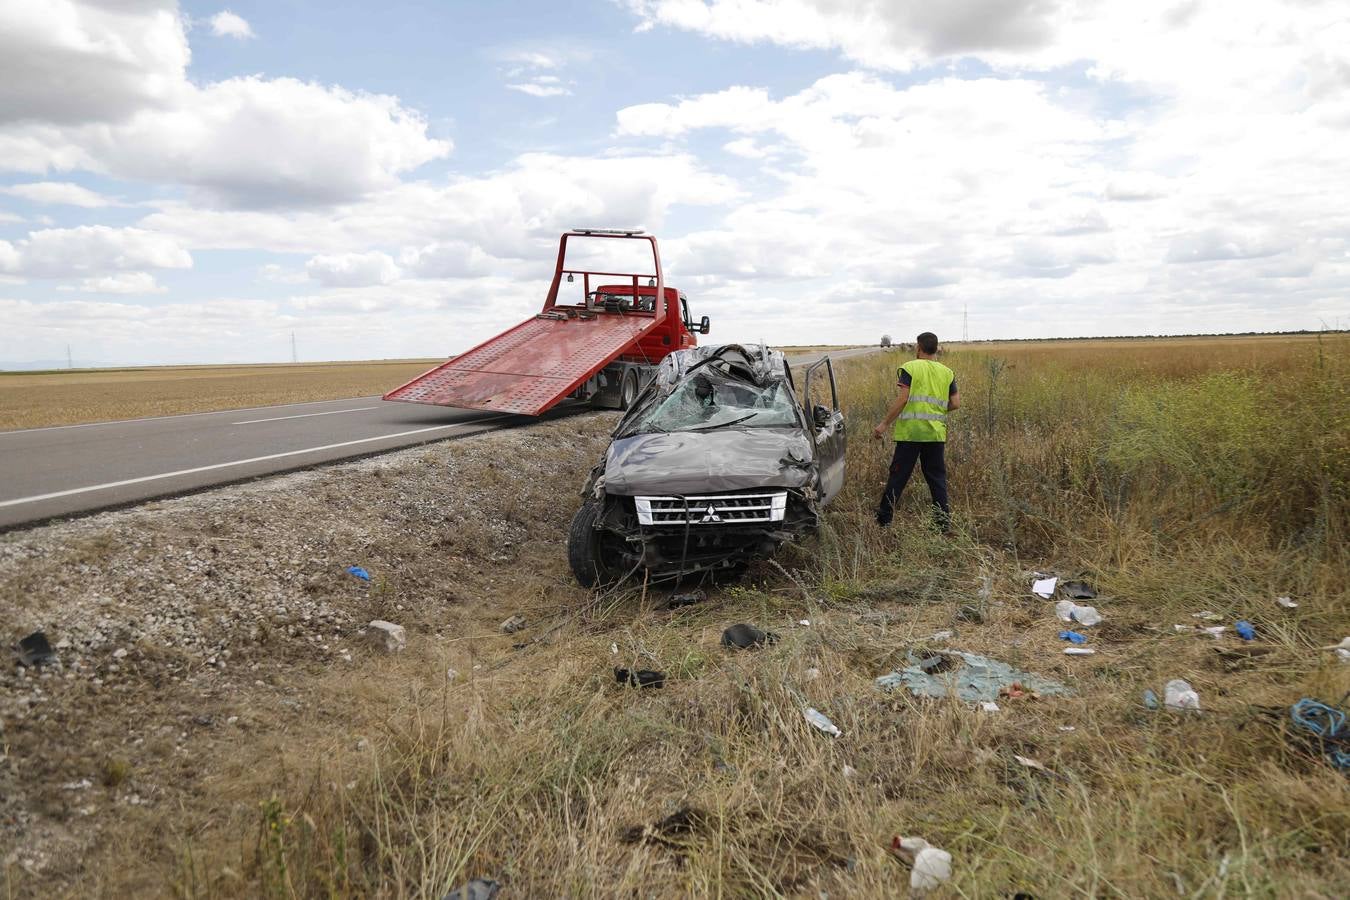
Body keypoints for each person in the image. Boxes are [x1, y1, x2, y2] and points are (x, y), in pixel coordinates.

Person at [872, 331, 960, 531]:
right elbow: (955, 403)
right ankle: (942, 524)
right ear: (936, 348)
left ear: (919, 347)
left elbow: (903, 399)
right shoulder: (947, 372)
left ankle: (884, 520)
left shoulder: (910, 368)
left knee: (898, 476)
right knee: (936, 478)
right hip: (935, 434)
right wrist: (935, 410)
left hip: (911, 433)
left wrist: (884, 424)